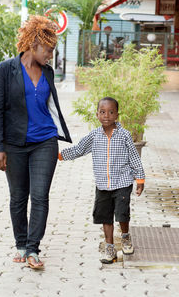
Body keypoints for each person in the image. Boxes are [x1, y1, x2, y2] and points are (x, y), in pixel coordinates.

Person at [0, 15, 72, 269]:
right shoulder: (5, 69)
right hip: (13, 144)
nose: (50, 55)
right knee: (18, 197)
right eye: (48, 49)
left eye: (52, 50)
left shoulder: (47, 71)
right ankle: (21, 245)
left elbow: (49, 106)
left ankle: (34, 248)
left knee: (40, 196)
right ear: (34, 43)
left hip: (44, 141)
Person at [59, 97, 145, 264]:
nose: (107, 116)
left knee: (122, 213)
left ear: (117, 115)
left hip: (122, 182)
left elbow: (134, 158)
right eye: (103, 112)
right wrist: (60, 155)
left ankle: (125, 236)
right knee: (105, 216)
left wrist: (140, 179)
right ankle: (110, 247)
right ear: (97, 114)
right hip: (102, 185)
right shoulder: (94, 136)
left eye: (111, 112)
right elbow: (79, 149)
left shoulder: (125, 135)